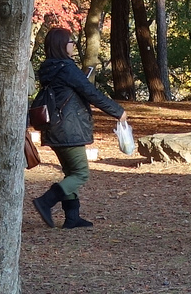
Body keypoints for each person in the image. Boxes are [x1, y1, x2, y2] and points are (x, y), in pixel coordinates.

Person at [31, 26, 126, 230]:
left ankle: (72, 218)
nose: (73, 45)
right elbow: (91, 92)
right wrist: (118, 111)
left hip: (53, 127)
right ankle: (46, 201)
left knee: (70, 171)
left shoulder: (49, 68)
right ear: (61, 45)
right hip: (68, 128)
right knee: (81, 173)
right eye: (71, 41)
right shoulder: (66, 68)